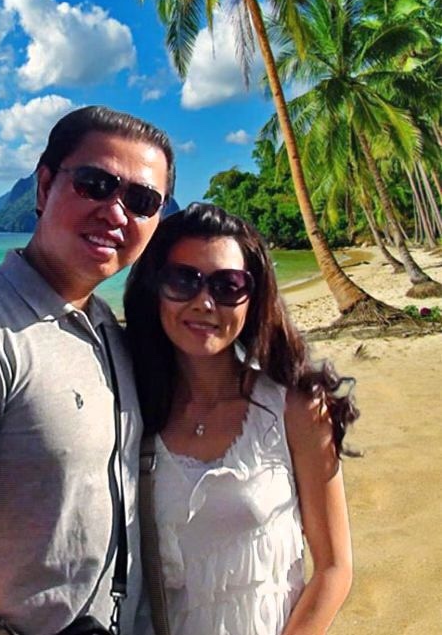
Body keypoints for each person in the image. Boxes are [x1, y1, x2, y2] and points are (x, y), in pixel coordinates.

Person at [0, 106, 174, 635]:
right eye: (95, 185)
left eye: (141, 201)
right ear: (44, 187)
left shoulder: (108, 330)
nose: (116, 214)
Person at [124, 203, 358, 635]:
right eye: (183, 280)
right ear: (154, 288)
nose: (204, 302)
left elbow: (334, 567)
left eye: (228, 286)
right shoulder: (132, 407)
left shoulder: (294, 406)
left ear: (254, 298)